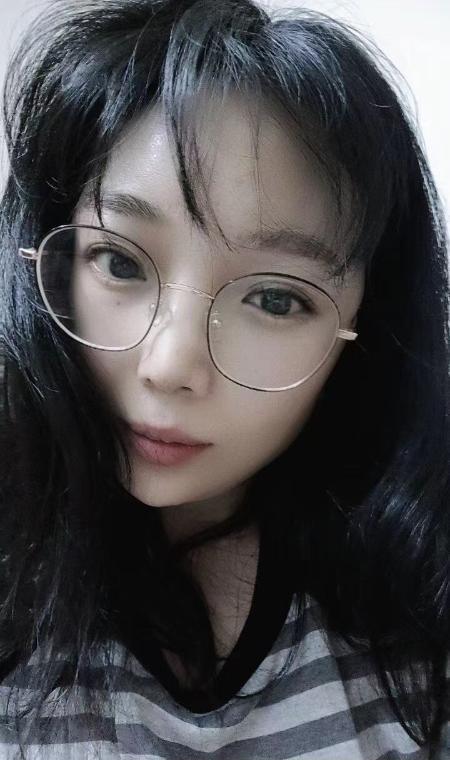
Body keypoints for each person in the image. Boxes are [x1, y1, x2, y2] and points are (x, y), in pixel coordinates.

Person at [0, 0, 448, 757]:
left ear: (365, 334)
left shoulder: (414, 612)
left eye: (274, 299)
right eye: (119, 261)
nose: (170, 367)